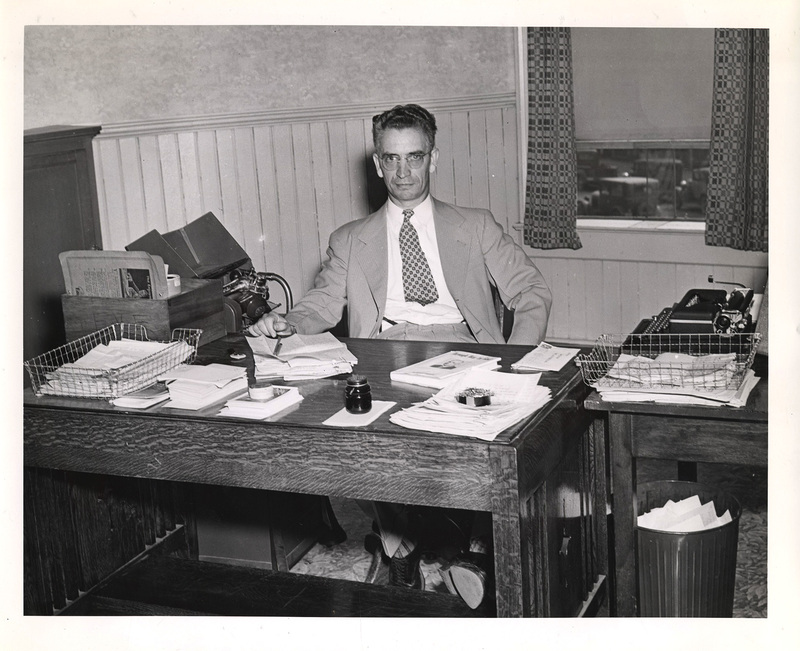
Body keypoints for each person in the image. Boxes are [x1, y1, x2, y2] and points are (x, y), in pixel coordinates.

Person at [251, 103, 552, 607]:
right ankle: (400, 552)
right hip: (382, 348)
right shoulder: (350, 239)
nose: (404, 171)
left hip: (465, 345)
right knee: (368, 440)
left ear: (433, 158)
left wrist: (514, 361)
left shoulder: (476, 226)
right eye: (391, 159)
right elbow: (322, 304)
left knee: (483, 442)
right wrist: (287, 323)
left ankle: (477, 549)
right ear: (377, 163)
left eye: (415, 157)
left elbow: (530, 292)